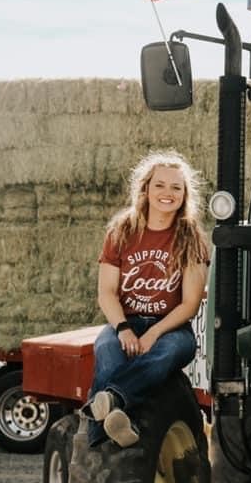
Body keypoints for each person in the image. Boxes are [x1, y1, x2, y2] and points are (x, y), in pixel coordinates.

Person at [82, 150, 210, 447]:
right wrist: (123, 328)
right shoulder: (122, 231)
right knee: (108, 351)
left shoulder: (190, 237)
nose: (168, 193)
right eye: (160, 185)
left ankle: (108, 408)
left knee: (162, 356)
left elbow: (189, 303)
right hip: (126, 321)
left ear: (185, 194)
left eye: (176, 187)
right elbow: (107, 293)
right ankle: (110, 434)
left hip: (172, 328)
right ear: (146, 189)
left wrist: (154, 332)